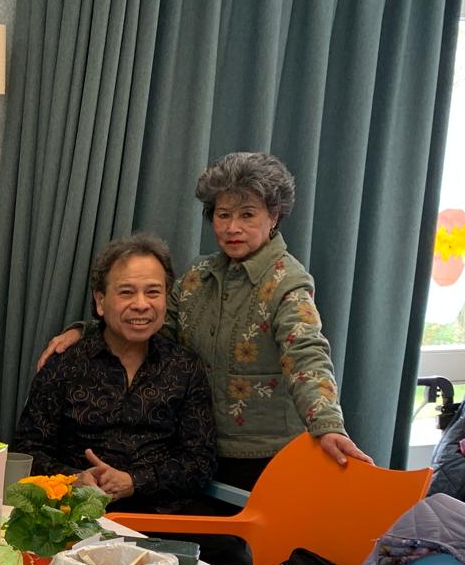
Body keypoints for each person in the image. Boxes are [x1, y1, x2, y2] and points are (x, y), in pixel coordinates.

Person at [37, 151, 372, 489]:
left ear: (274, 216)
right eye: (223, 215)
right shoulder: (199, 275)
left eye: (247, 214)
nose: (232, 227)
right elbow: (151, 325)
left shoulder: (288, 282)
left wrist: (327, 425)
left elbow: (307, 355)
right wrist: (86, 330)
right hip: (198, 453)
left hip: (268, 459)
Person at [12, 232, 215, 509]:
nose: (141, 305)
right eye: (126, 292)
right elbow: (27, 451)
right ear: (100, 301)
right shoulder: (65, 365)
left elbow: (200, 461)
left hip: (160, 522)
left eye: (153, 292)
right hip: (75, 517)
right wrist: (74, 480)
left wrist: (135, 481)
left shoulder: (185, 367)